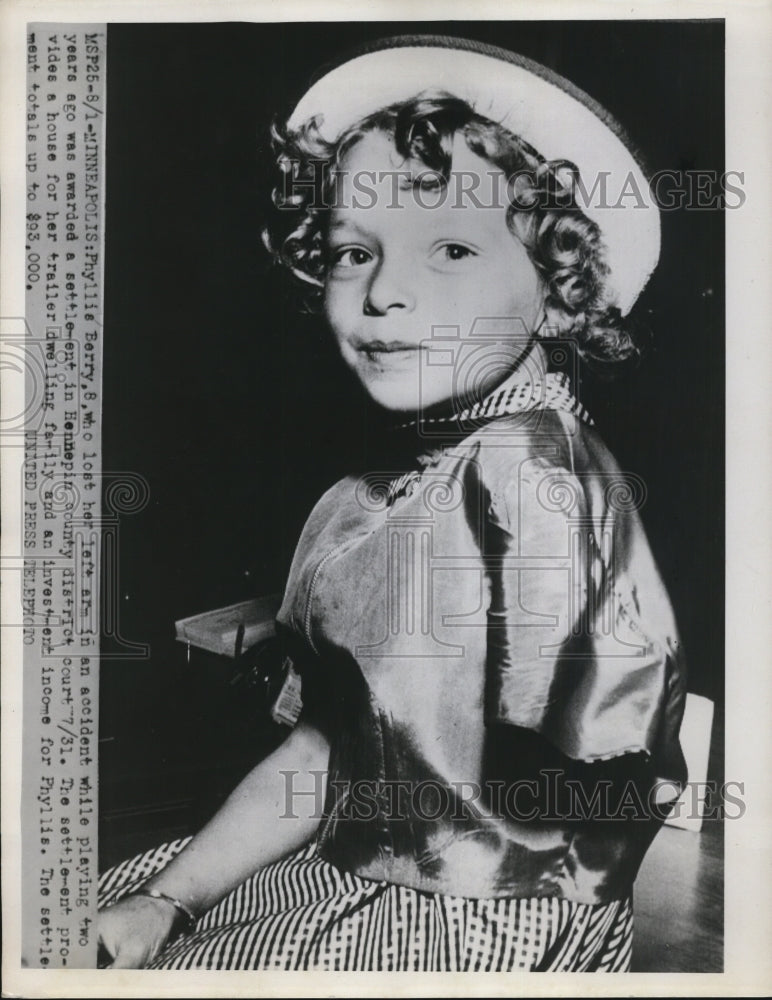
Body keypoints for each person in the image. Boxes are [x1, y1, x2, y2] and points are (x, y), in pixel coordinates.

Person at [97, 35, 687, 971]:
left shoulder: (536, 483)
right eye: (350, 252)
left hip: (475, 919)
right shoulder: (376, 489)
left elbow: (592, 801)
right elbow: (330, 744)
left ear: (560, 290)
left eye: (450, 246)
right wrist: (169, 901)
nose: (383, 293)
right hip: (347, 862)